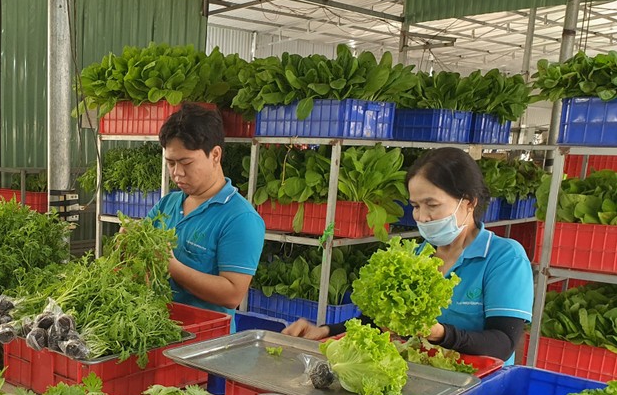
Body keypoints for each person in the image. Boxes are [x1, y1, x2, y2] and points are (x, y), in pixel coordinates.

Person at [283, 147, 533, 364]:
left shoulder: (504, 257)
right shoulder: (415, 256)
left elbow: (502, 343)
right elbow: (376, 322)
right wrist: (325, 330)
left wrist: (440, 333)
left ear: (468, 203)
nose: (422, 217)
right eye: (415, 206)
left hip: (476, 391)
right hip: (420, 382)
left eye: (432, 205)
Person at [145, 104, 265, 331]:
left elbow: (232, 294)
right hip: (155, 332)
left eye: (186, 163)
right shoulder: (167, 204)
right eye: (171, 163)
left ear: (215, 155)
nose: (177, 173)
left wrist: (171, 266)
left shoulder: (240, 218)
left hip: (204, 346)